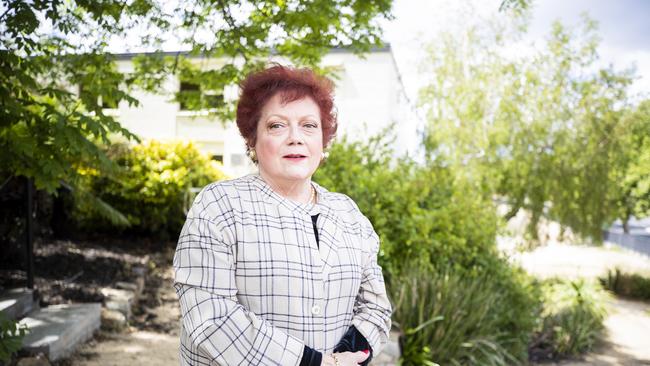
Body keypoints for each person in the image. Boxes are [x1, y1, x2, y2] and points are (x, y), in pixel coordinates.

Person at [173, 64, 392, 366]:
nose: (295, 138)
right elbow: (210, 317)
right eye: (277, 125)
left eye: (309, 126)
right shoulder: (219, 206)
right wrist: (311, 363)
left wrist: (345, 359)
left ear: (323, 141)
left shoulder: (349, 214)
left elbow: (376, 308)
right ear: (252, 139)